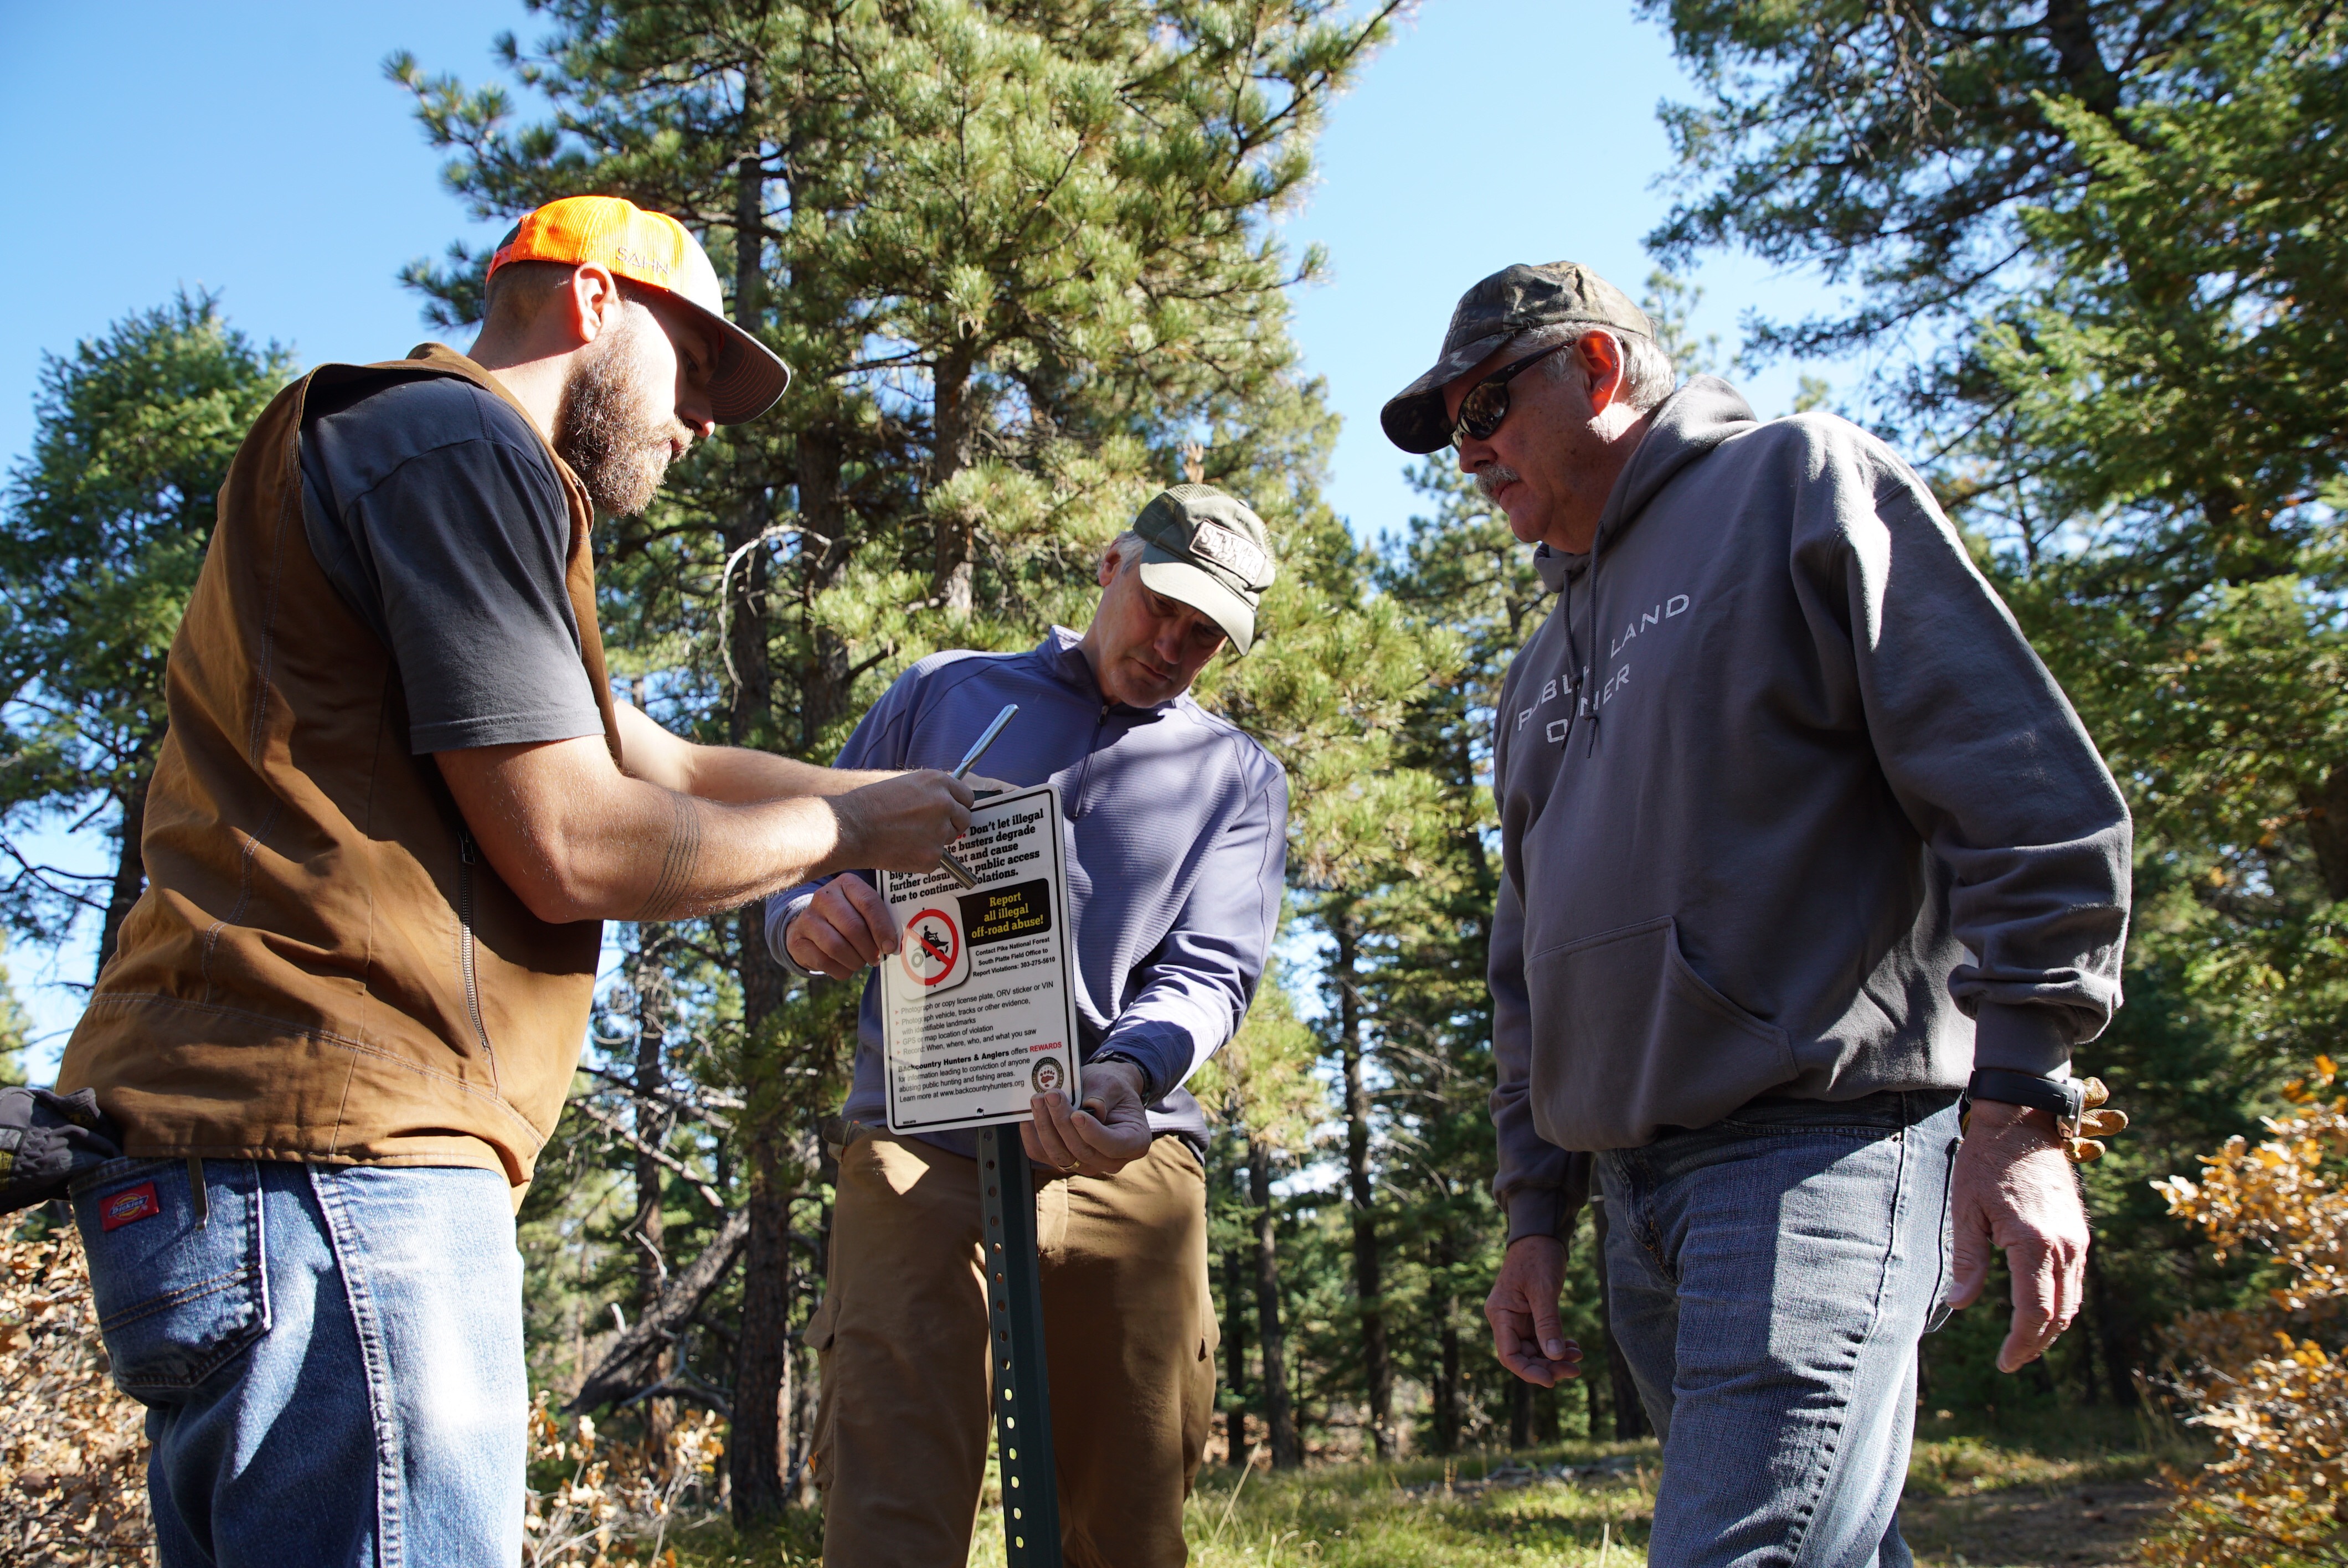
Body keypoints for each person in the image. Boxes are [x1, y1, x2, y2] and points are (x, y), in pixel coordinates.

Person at [54, 194, 976, 1568]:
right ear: (593, 300)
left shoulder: (397, 448)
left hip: (232, 1168)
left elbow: (656, 758)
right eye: (694, 365)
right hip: (339, 1165)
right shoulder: (460, 441)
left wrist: (895, 801)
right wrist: (846, 840)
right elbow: (576, 844)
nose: (703, 422)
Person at [1379, 262, 2132, 1567]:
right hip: (1634, 1207)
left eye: (1486, 406)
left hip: (1815, 1155)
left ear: (1596, 370)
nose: (1469, 451)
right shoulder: (1536, 664)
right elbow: (1525, 964)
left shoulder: (1797, 482)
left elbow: (2024, 790)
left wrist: (2021, 1105)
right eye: (1452, 429)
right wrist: (1534, 1212)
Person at [769, 484, 1289, 1568]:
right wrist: (804, 919)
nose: (1172, 646)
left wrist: (1130, 1073)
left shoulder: (1237, 777)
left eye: (1205, 634)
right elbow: (807, 854)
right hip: (919, 1141)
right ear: (1110, 566)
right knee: (889, 1518)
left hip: (1120, 1153)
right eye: (1161, 606)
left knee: (1126, 1528)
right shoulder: (943, 694)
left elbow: (1209, 972)